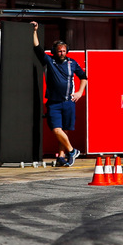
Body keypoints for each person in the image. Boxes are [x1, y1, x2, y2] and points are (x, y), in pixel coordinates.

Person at [31, 22, 87, 167]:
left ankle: (61, 157)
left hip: (68, 101)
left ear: (66, 51)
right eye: (59, 51)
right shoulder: (49, 61)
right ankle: (72, 151)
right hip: (54, 103)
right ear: (54, 51)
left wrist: (80, 92)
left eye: (63, 51)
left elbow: (84, 78)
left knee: (64, 130)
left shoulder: (72, 63)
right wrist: (34, 31)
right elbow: (37, 48)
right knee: (56, 129)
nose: (61, 53)